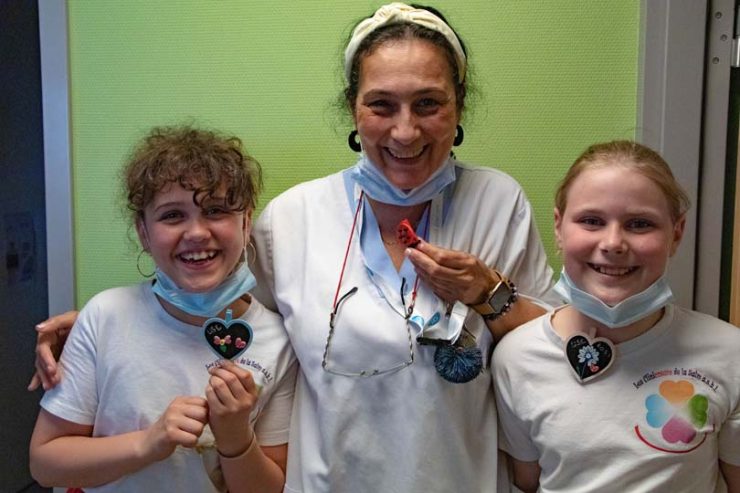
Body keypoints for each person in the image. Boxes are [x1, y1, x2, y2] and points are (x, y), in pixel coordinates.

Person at [30, 4, 556, 492]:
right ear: (353, 110)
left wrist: (490, 294)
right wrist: (102, 326)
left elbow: (553, 347)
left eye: (428, 104)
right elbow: (219, 304)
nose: (404, 130)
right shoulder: (293, 218)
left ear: (458, 104)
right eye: (381, 104)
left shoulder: (497, 201)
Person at [29, 126, 297, 493]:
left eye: (216, 210)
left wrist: (237, 439)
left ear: (246, 221)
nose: (197, 233)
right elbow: (46, 464)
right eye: (172, 216)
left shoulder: (278, 341)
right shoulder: (105, 317)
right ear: (143, 231)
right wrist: (148, 443)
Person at [493, 140, 740, 492]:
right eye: (591, 221)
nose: (613, 243)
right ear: (559, 228)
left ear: (677, 234)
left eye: (639, 224)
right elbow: (529, 482)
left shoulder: (729, 353)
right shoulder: (516, 359)